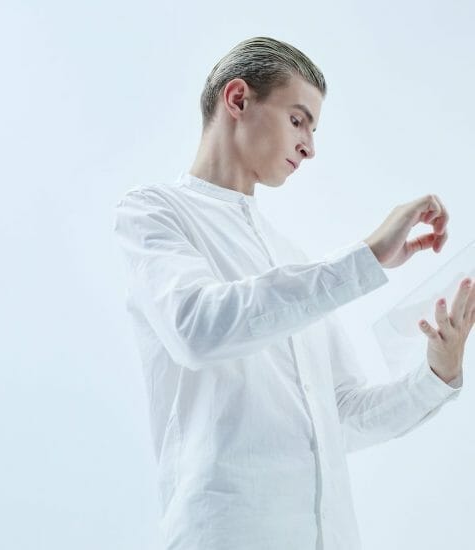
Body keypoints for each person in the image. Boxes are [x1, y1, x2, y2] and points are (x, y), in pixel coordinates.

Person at [112, 36, 474, 550]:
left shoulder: (292, 258)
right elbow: (197, 328)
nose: (310, 146)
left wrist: (438, 370)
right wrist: (365, 256)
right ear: (237, 99)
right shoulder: (154, 212)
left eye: (313, 128)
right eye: (298, 120)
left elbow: (342, 415)